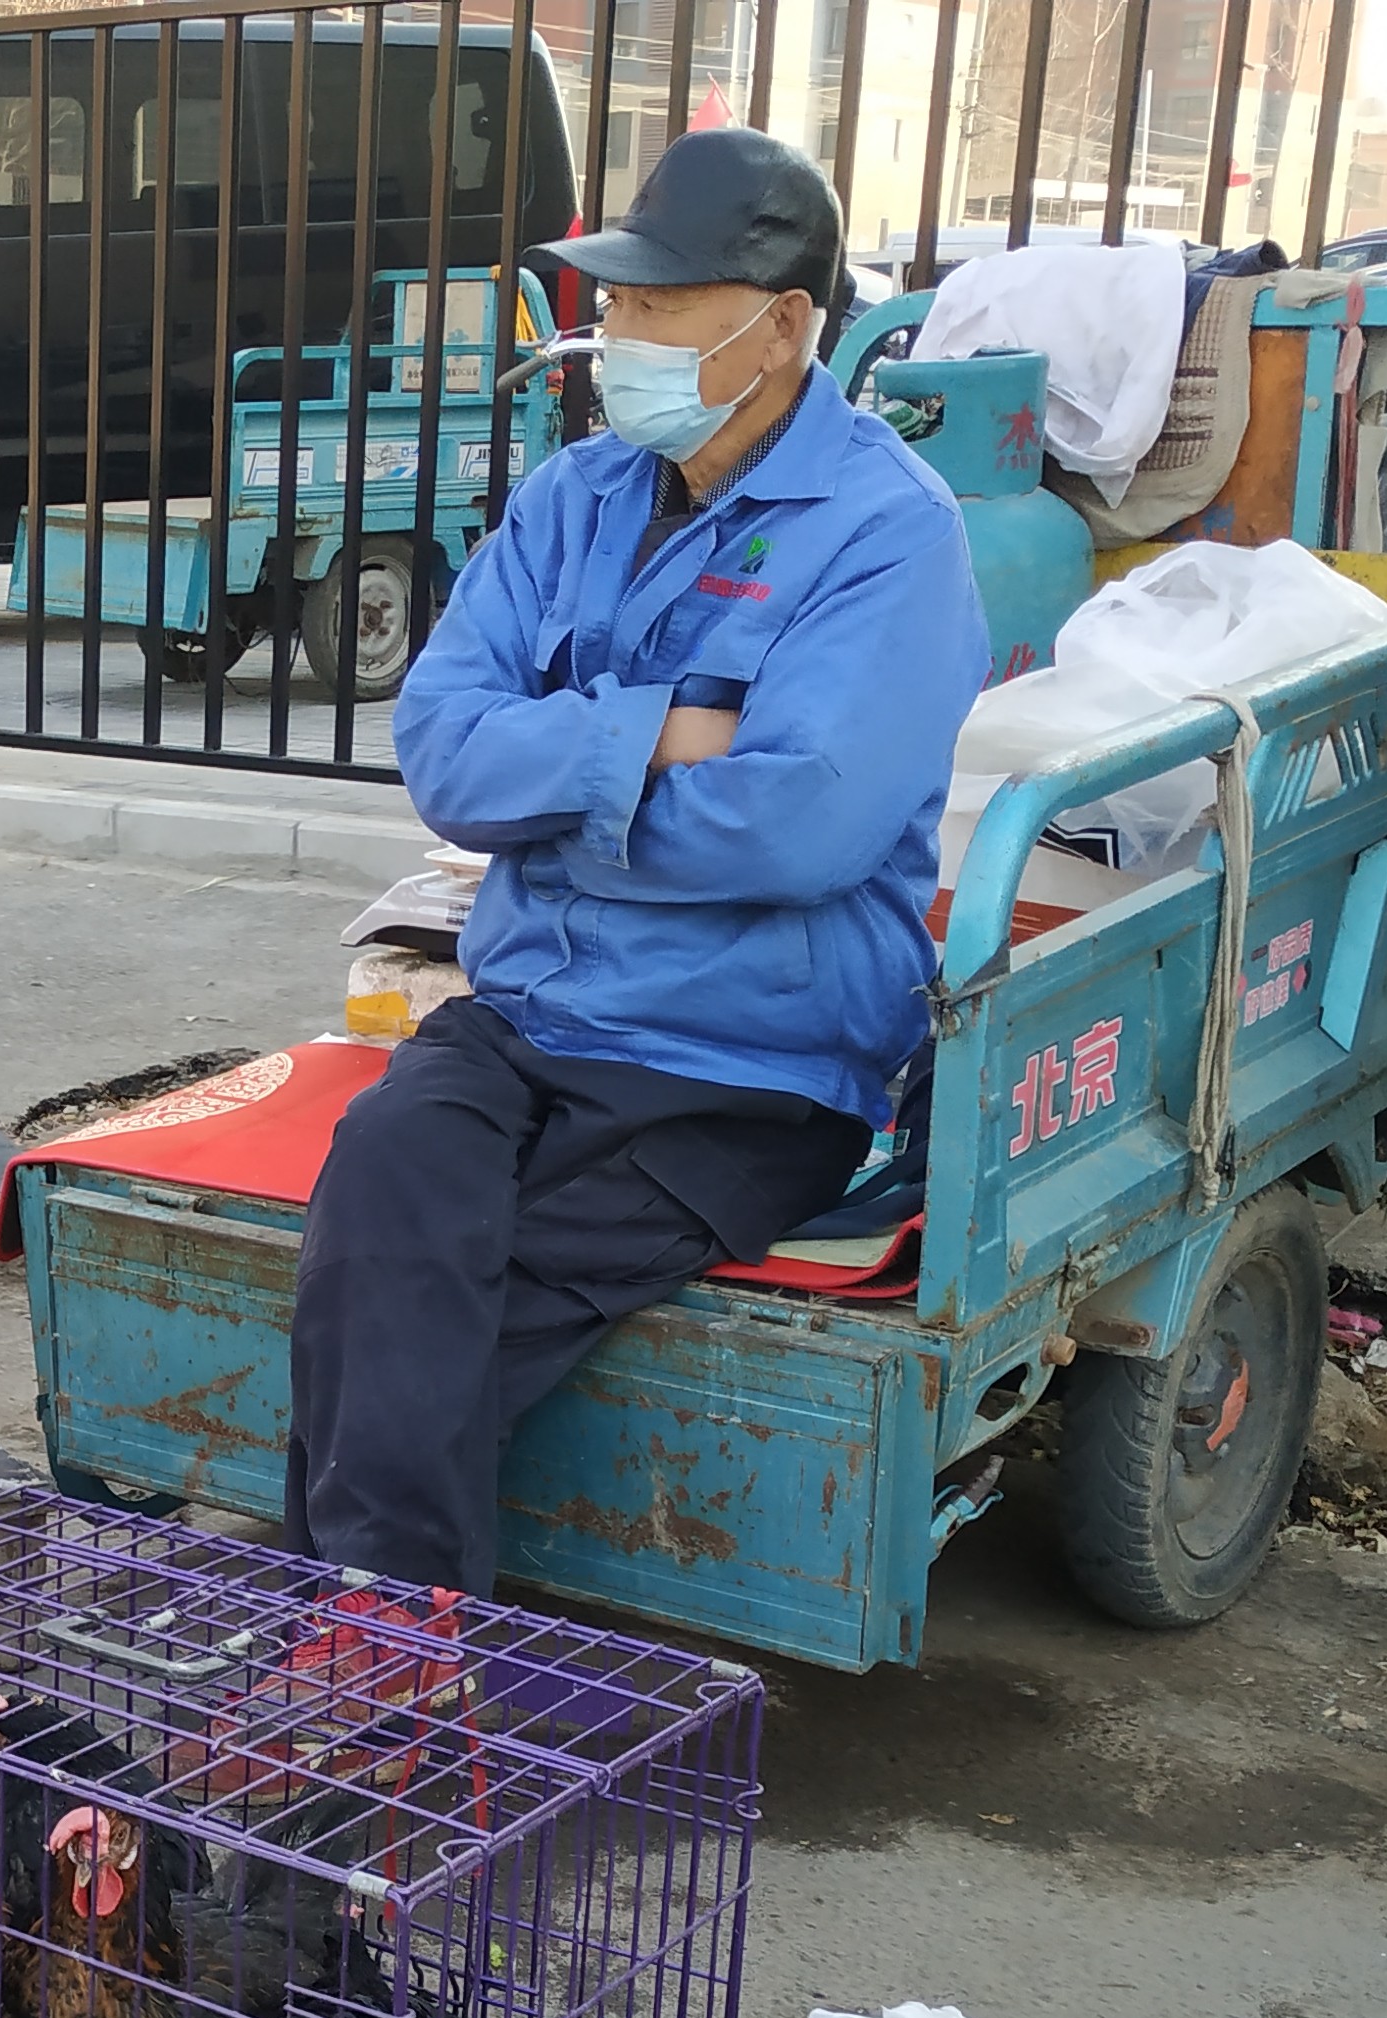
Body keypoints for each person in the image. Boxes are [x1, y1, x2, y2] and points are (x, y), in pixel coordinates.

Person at [281, 129, 989, 1596]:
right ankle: (381, 1647)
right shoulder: (571, 500)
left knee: (457, 1315)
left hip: (747, 1056)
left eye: (659, 308)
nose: (617, 340)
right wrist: (664, 735)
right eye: (613, 305)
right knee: (384, 1177)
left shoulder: (888, 535)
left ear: (783, 323)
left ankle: (363, 1645)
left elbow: (804, 829)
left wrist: (563, 789)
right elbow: (446, 755)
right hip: (533, 1011)